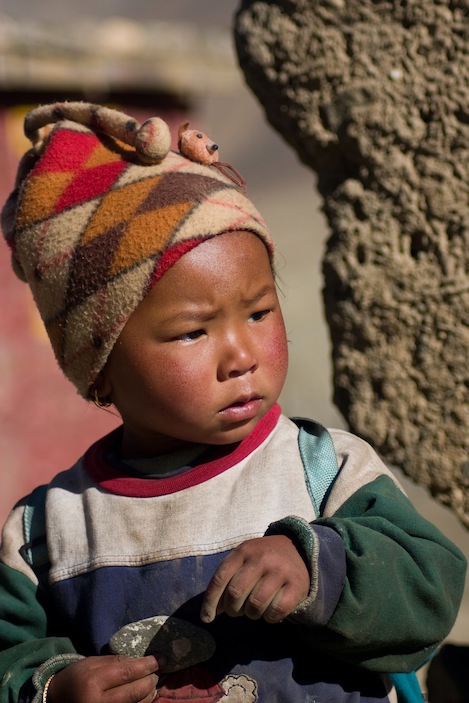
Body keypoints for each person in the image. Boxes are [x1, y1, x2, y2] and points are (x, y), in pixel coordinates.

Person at [0, 101, 466, 703]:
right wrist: (53, 686)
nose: (241, 354)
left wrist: (317, 567)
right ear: (102, 367)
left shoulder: (321, 472)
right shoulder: (50, 531)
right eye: (194, 331)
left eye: (259, 312)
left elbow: (430, 590)